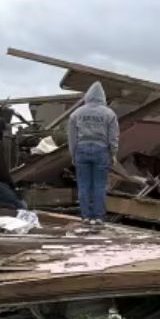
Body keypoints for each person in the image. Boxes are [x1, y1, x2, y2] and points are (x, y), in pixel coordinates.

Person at [67, 82, 119, 226]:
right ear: (102, 97)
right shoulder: (109, 114)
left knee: (83, 186)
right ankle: (98, 217)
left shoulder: (76, 114)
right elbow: (113, 137)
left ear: (87, 96)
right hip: (101, 150)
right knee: (99, 186)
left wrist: (73, 154)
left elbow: (71, 137)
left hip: (81, 150)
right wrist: (113, 153)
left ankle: (85, 216)